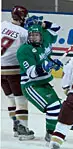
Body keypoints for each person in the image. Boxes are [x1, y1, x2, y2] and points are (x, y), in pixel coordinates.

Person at [16, 20, 63, 142]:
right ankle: (51, 134)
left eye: (36, 35)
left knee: (60, 107)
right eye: (31, 35)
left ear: (41, 35)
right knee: (53, 107)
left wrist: (53, 64)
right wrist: (45, 67)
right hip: (31, 85)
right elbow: (31, 73)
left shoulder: (46, 40)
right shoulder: (24, 50)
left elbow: (56, 27)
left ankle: (53, 131)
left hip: (44, 83)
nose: (33, 37)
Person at [1, 5, 34, 140]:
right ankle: (23, 128)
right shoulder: (23, 33)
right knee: (21, 98)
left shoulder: (2, 24)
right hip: (13, 69)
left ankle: (16, 124)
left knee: (10, 97)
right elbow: (29, 50)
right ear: (22, 17)